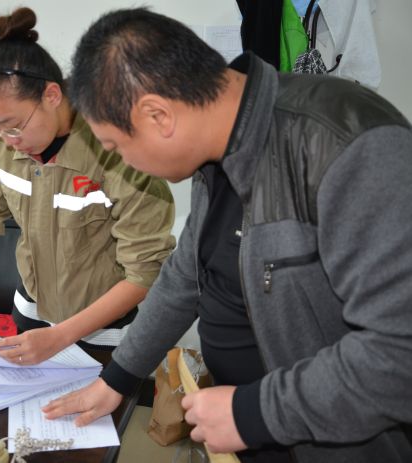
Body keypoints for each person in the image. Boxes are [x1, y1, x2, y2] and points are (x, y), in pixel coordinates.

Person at [42, 8, 412, 463]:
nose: (125, 164)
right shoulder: (218, 147)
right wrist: (117, 377)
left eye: (116, 147)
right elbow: (184, 278)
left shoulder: (344, 143)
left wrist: (253, 413)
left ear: (158, 115)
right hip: (251, 435)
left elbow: (400, 350)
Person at [0, 7, 176, 371]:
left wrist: (61, 336)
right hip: (30, 314)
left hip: (105, 329)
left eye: (13, 125)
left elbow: (143, 273)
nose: (7, 140)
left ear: (51, 95)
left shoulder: (115, 149)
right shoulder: (1, 144)